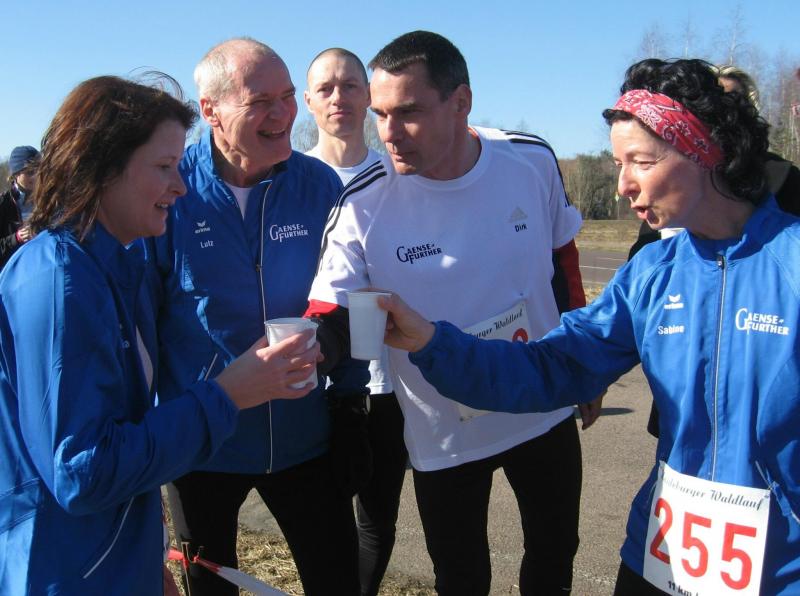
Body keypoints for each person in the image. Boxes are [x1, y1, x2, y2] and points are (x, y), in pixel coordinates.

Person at [379, 58, 800, 595]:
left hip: (781, 569)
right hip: (666, 551)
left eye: (641, 161)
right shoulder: (652, 273)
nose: (623, 185)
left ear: (704, 151)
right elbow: (552, 366)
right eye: (618, 163)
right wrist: (432, 342)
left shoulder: (791, 263)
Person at [0, 75, 320, 596]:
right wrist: (227, 395)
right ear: (104, 167)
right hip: (62, 571)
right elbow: (81, 472)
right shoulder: (60, 280)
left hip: (109, 559)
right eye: (164, 167)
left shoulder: (113, 266)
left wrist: (147, 556)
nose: (181, 186)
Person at [310, 30, 601, 596]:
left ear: (461, 102)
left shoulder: (530, 159)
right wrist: (312, 355)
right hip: (443, 430)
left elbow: (562, 261)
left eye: (409, 112)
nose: (388, 133)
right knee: (462, 577)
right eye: (380, 114)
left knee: (554, 553)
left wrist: (582, 365)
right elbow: (334, 312)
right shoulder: (362, 202)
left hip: (540, 404)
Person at [156, 38, 368, 596]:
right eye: (260, 102)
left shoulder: (319, 185)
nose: (283, 115)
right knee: (211, 587)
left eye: (287, 97)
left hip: (305, 439)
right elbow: (140, 321)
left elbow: (351, 295)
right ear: (210, 110)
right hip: (204, 444)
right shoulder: (171, 190)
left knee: (338, 582)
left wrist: (351, 401)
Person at [631, 62, 800, 437]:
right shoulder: (657, 253)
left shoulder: (784, 184)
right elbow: (586, 347)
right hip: (684, 368)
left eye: (733, 102)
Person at [304, 47, 406, 596]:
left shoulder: (397, 172)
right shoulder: (294, 178)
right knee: (321, 515)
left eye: (349, 86)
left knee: (378, 514)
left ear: (368, 95)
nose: (338, 97)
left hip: (389, 378)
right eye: (325, 88)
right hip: (318, 379)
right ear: (309, 101)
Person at [0, 145, 39, 268]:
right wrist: (16, 238)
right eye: (30, 172)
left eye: (39, 170)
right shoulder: (3, 204)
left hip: (39, 268)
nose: (36, 176)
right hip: (10, 273)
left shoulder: (48, 202)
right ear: (16, 174)